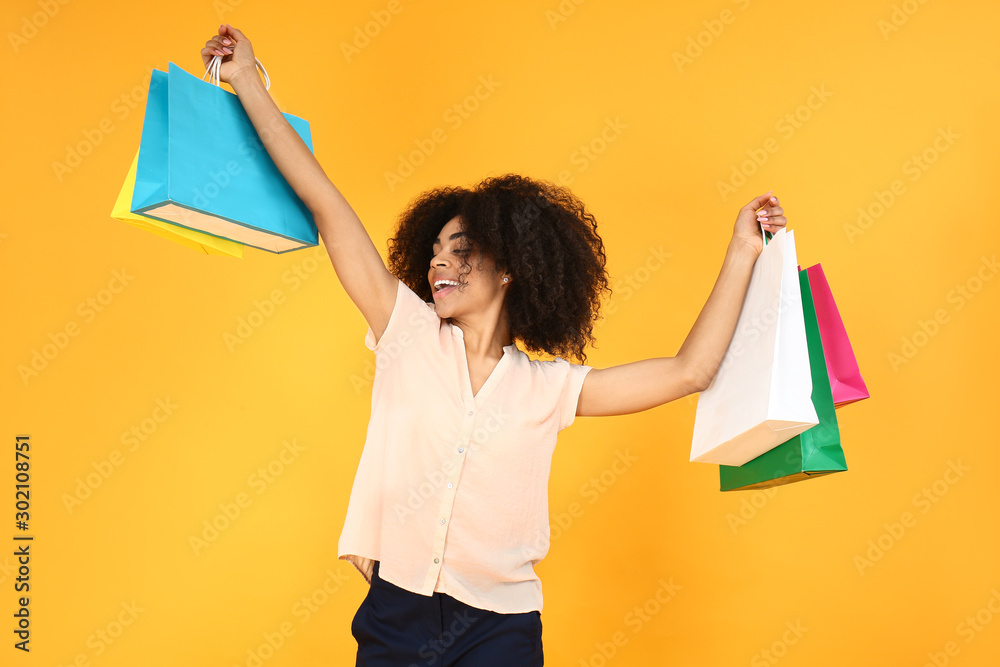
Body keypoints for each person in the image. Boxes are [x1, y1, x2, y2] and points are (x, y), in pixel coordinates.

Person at [201, 24, 787, 666]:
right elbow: (325, 201)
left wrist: (742, 250)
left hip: (501, 628)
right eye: (434, 253)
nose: (439, 266)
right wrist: (248, 81)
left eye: (463, 251)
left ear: (509, 267)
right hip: (398, 614)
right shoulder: (406, 333)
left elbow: (689, 370)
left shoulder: (549, 388)